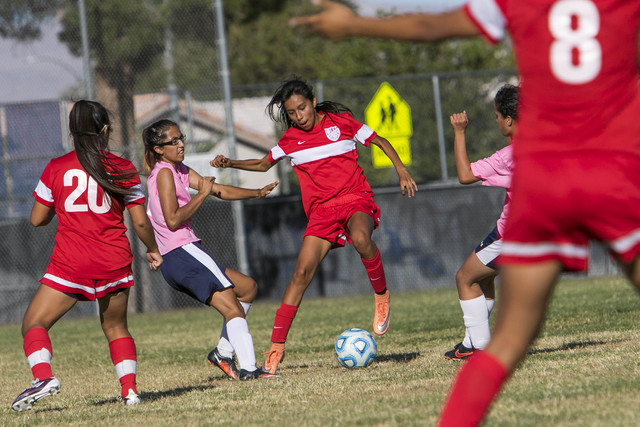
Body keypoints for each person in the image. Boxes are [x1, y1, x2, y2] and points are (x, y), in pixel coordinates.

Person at [291, 1, 640, 426]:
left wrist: (354, 23)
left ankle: (472, 360)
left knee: (507, 343)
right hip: (611, 169)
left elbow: (430, 25)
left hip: (547, 183)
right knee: (477, 283)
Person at [210, 76, 417, 374]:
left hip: (354, 197)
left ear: (313, 102)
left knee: (361, 239)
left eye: (302, 108)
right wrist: (231, 163)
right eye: (292, 113)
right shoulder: (290, 140)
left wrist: (401, 170)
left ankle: (381, 295)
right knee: (300, 274)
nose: (298, 116)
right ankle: (277, 347)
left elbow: (380, 141)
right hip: (321, 213)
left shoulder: (342, 122)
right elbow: (263, 163)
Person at [11, 100, 163, 412]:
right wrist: (152, 248)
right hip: (113, 260)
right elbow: (139, 222)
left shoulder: (57, 167)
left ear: (71, 132)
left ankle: (43, 377)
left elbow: (37, 219)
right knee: (116, 328)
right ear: (105, 130)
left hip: (72, 262)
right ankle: (130, 390)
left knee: (34, 323)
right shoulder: (122, 168)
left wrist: (60, 205)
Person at [142, 119, 279, 381]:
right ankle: (250, 371)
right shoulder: (164, 173)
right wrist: (201, 195)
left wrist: (257, 193)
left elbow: (219, 190)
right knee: (233, 309)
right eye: (173, 141)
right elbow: (173, 219)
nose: (181, 143)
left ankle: (223, 354)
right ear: (158, 149)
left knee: (247, 288)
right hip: (181, 252)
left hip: (185, 253)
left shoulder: (177, 168)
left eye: (181, 137)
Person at [444, 84, 517, 361]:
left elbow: (465, 174)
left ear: (509, 119)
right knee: (483, 279)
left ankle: (482, 351)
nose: (496, 120)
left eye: (497, 116)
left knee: (465, 278)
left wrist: (460, 132)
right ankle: (468, 343)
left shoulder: (508, 156)